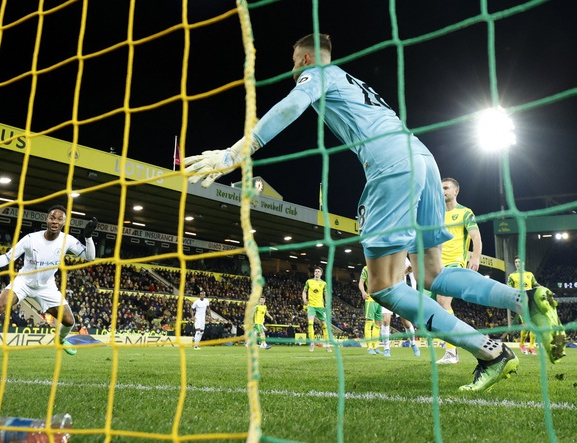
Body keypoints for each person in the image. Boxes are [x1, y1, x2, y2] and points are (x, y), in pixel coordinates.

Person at [184, 33, 566, 391]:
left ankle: (491, 352)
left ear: (303, 59)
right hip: (424, 160)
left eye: (293, 65)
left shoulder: (316, 75)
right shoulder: (348, 80)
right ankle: (525, 299)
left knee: (385, 287)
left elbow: (290, 107)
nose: (293, 72)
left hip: (392, 168)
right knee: (432, 274)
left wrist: (234, 154)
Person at [0, 205, 97, 361]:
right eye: (52, 218)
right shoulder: (30, 239)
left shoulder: (67, 240)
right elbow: (8, 258)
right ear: (46, 219)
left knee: (69, 321)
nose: (55, 221)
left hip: (47, 287)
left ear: (64, 222)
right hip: (23, 282)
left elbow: (90, 257)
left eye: (59, 219)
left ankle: (60, 340)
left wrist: (88, 237)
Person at [435, 177, 483, 365]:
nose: (442, 191)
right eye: (440, 188)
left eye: (446, 188)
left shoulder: (465, 213)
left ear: (456, 191)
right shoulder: (436, 214)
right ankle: (455, 341)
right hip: (435, 264)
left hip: (454, 263)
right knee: (432, 307)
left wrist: (476, 257)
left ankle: (452, 351)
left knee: (442, 301)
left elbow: (476, 237)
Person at [380, 258, 421, 357]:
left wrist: (414, 292)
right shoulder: (382, 256)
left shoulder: (402, 256)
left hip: (400, 292)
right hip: (386, 292)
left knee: (406, 322)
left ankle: (413, 344)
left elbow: (411, 272)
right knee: (385, 320)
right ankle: (386, 348)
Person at [507, 256, 540, 355]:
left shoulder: (529, 274)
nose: (517, 264)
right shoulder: (512, 276)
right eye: (516, 262)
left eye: (519, 262)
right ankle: (522, 344)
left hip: (531, 301)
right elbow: (509, 289)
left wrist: (543, 288)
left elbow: (535, 284)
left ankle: (531, 346)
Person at [301, 266, 332, 352]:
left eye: (318, 271)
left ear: (321, 274)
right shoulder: (309, 281)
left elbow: (326, 294)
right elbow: (304, 291)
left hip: (320, 306)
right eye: (315, 271)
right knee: (310, 323)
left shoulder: (324, 283)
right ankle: (312, 343)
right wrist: (304, 299)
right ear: (314, 273)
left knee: (324, 325)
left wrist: (327, 304)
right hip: (311, 305)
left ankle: (327, 345)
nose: (317, 272)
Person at [358, 265, 383, 355]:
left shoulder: (381, 267)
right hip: (370, 298)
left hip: (380, 299)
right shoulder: (366, 268)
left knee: (378, 323)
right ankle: (369, 347)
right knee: (369, 322)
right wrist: (363, 292)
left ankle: (375, 346)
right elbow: (361, 282)